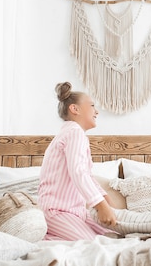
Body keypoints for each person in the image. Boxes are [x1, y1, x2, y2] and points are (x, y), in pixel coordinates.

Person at [38, 82, 117, 240]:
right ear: (75, 109)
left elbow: (86, 174)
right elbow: (78, 172)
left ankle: (50, 236)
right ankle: (44, 238)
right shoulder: (74, 133)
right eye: (93, 105)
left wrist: (104, 198)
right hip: (58, 212)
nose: (97, 112)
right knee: (93, 244)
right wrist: (100, 205)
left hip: (76, 212)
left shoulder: (72, 133)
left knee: (114, 235)